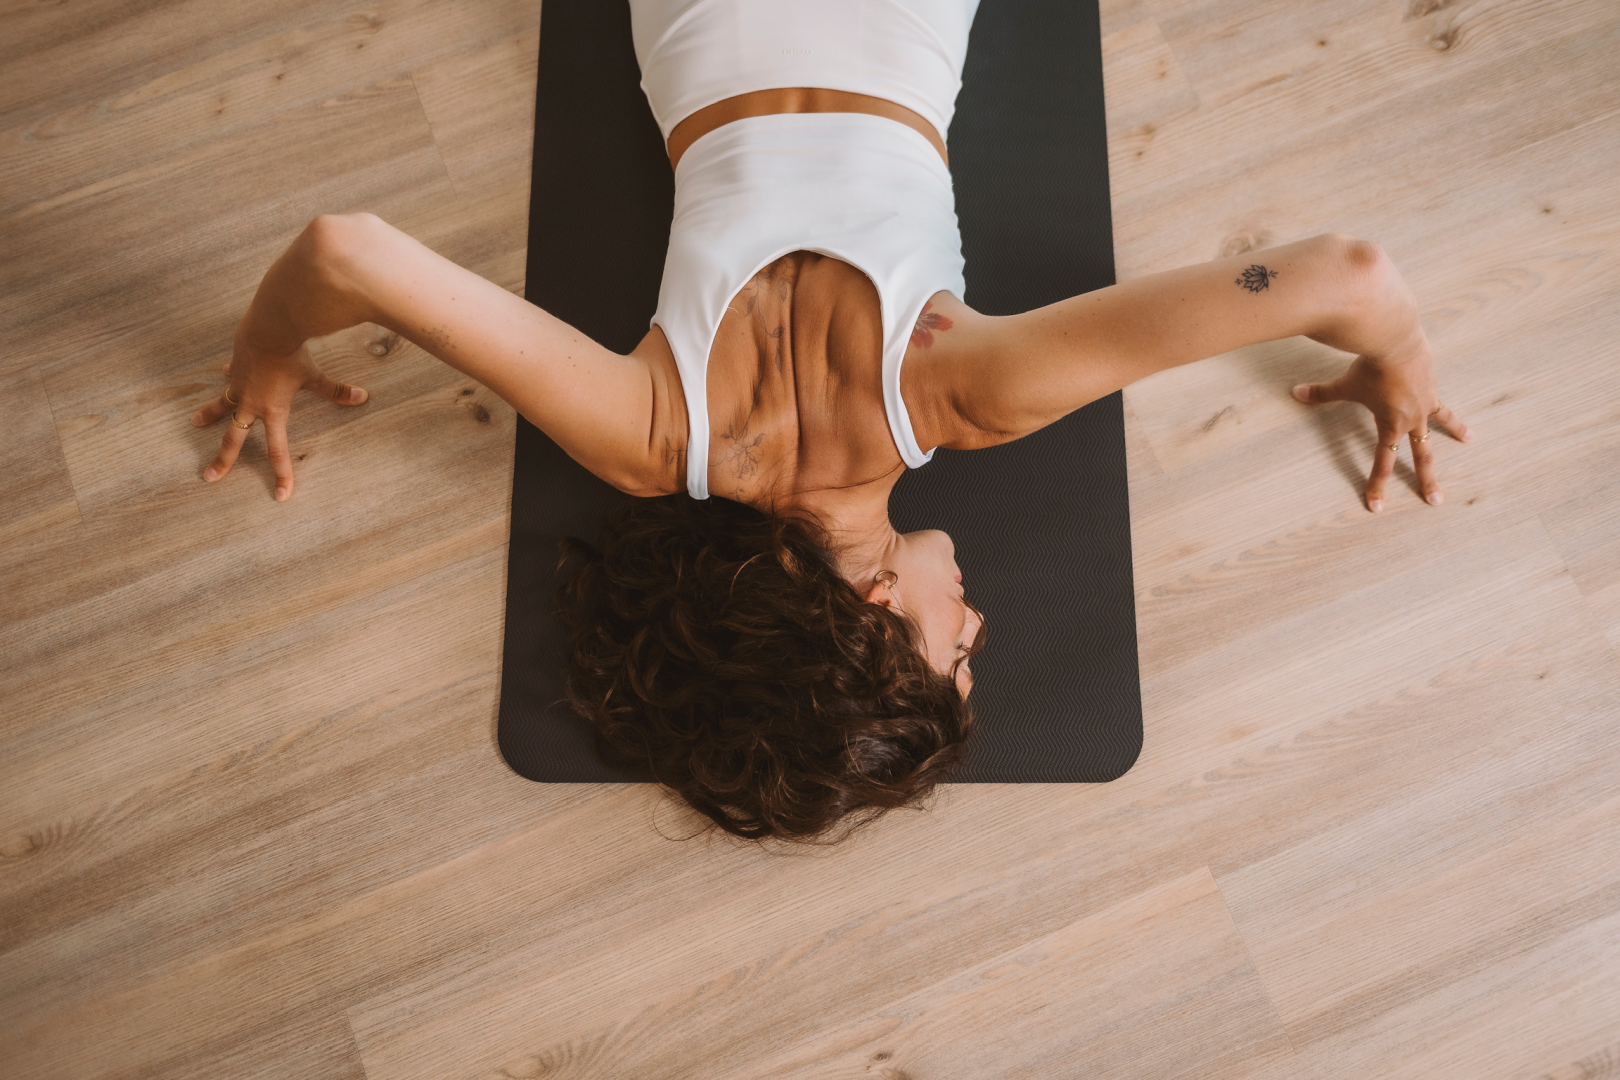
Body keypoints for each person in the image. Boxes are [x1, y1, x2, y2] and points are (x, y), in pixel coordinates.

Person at [191, 0, 1471, 842]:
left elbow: (1348, 275)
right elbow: (345, 251)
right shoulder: (650, 437)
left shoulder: (965, 394)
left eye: (956, 654)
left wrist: (1403, 359)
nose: (979, 628)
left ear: (870, 606)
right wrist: (268, 353)